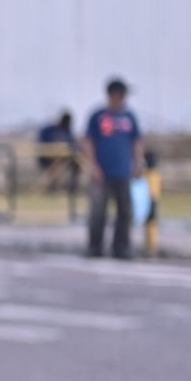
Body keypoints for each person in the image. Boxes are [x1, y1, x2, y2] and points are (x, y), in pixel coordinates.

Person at [84, 78, 144, 259]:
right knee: (98, 213)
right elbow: (89, 142)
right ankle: (95, 247)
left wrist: (138, 162)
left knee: (124, 212)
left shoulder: (129, 117)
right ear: (113, 95)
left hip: (123, 172)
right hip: (102, 173)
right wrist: (93, 166)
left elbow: (136, 141)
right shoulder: (98, 116)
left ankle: (121, 247)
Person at [35, 109, 78, 194]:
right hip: (47, 158)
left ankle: (71, 187)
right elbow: (42, 145)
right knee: (55, 163)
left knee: (77, 163)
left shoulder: (66, 130)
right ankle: (53, 188)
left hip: (63, 158)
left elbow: (72, 144)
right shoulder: (49, 130)